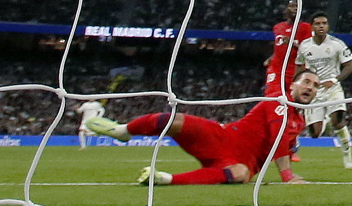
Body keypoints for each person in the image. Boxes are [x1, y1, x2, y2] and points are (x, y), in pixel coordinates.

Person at [85, 71, 318, 185]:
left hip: (242, 163)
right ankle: (123, 131)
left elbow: (284, 146)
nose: (311, 87)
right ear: (293, 85)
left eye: (315, 85)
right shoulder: (278, 100)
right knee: (173, 120)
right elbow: (278, 135)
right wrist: (286, 176)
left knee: (240, 175)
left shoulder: (300, 121)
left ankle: (163, 179)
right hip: (222, 137)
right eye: (306, 82)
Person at [296, 13, 352, 169]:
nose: (321, 26)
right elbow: (298, 66)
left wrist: (334, 80)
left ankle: (347, 156)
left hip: (333, 89)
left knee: (338, 121)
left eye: (324, 23)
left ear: (328, 26)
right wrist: (299, 84)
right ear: (312, 27)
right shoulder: (305, 46)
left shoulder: (337, 44)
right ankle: (326, 122)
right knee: (315, 134)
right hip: (315, 91)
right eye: (317, 23)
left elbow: (350, 66)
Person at [265, 0, 311, 98]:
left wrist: (292, 43)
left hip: (294, 71)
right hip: (276, 70)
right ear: (286, 10)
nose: (295, 8)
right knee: (272, 98)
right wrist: (271, 57)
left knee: (293, 100)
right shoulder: (277, 27)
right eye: (292, 6)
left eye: (297, 6)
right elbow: (278, 47)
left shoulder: (306, 28)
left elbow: (308, 51)